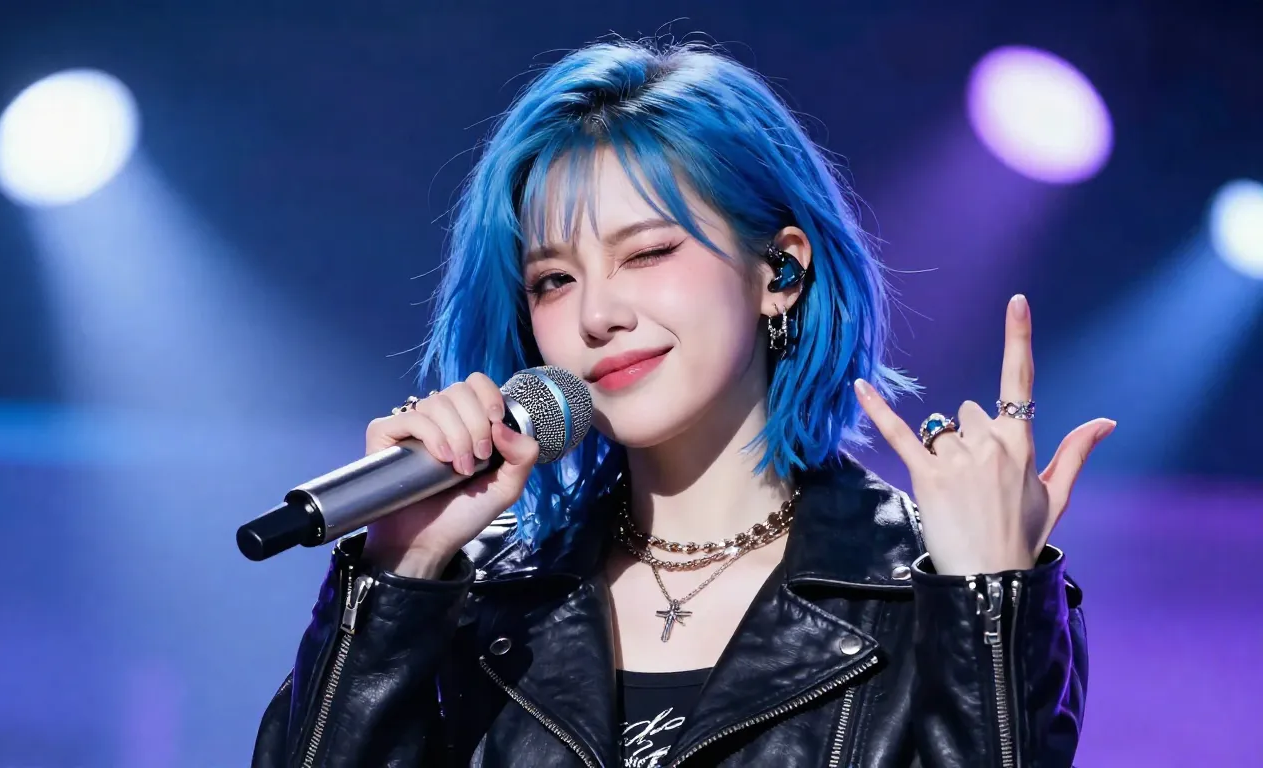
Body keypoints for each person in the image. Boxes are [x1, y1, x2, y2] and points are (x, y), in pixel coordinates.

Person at [253, 39, 1110, 768]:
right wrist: (399, 575)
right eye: (553, 280)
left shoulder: (931, 593)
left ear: (780, 271)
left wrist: (988, 601)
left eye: (647, 252)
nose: (596, 314)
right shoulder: (479, 603)